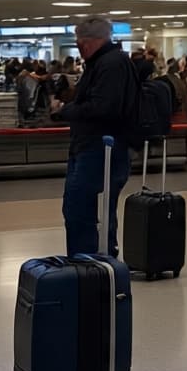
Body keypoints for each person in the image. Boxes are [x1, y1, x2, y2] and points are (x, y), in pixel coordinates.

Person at [52, 18, 138, 256]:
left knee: (82, 209)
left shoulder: (111, 64)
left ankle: (91, 264)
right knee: (91, 209)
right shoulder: (104, 62)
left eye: (79, 42)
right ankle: (94, 263)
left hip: (100, 150)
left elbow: (103, 107)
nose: (79, 47)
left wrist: (66, 111)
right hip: (93, 148)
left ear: (88, 42)